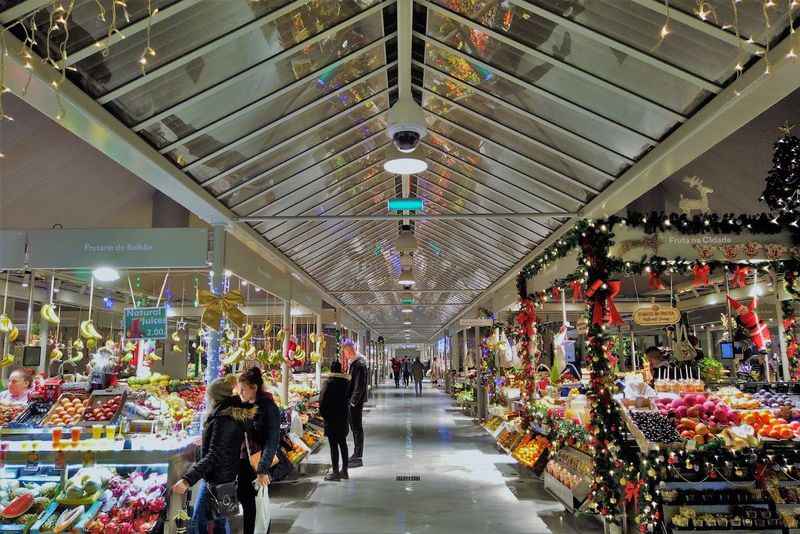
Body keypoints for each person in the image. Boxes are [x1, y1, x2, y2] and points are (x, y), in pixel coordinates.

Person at [172, 377, 255, 534]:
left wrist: (187, 480)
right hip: (227, 477)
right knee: (220, 521)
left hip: (217, 480)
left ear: (216, 397)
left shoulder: (223, 419)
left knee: (198, 522)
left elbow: (214, 454)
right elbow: (222, 446)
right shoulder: (230, 414)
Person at [237, 368, 281, 534]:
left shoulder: (268, 408)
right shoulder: (245, 406)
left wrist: (262, 470)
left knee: (256, 510)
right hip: (243, 462)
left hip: (256, 465)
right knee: (249, 507)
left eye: (243, 389)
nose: (240, 392)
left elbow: (272, 441)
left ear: (254, 387)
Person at [319, 360, 350, 481]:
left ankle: (335, 472)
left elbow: (322, 402)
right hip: (343, 418)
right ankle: (345, 471)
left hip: (331, 419)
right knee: (343, 443)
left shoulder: (328, 383)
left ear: (331, 370)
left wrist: (324, 416)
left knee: (333, 446)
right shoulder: (346, 383)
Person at [343, 339, 367, 468]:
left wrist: (352, 402)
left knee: (357, 429)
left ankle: (358, 457)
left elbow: (359, 386)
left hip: (355, 403)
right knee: (355, 429)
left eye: (345, 352)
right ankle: (356, 455)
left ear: (349, 350)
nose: (345, 355)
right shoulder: (355, 363)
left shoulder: (359, 364)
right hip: (353, 402)